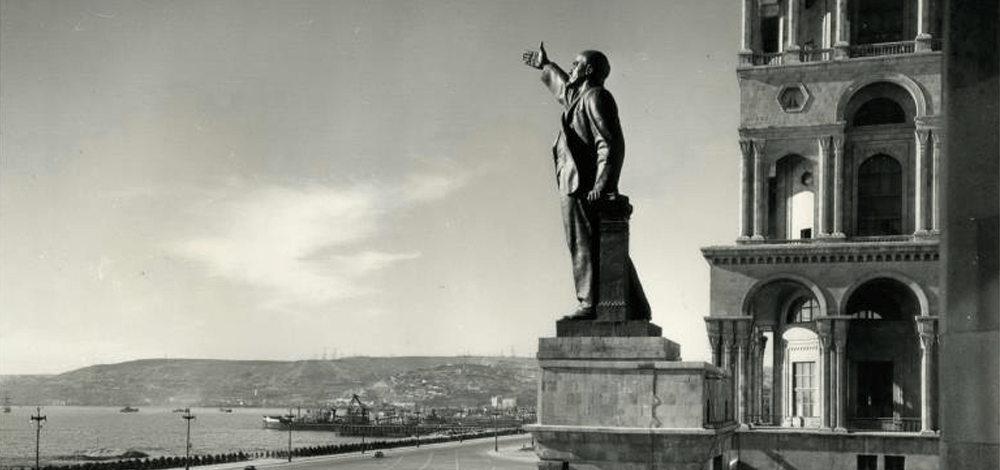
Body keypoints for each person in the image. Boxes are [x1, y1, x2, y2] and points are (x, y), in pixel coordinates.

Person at [522, 42, 650, 321]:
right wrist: (546, 65)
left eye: (575, 64)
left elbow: (610, 144)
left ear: (588, 70)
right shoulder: (581, 97)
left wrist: (602, 186)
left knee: (583, 244)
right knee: (603, 247)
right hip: (575, 184)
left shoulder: (596, 97)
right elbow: (565, 91)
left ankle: (589, 303)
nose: (572, 68)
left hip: (583, 186)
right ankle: (637, 307)